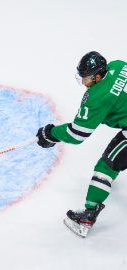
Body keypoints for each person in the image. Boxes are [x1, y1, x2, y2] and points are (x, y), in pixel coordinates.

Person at [36, 51, 127, 237]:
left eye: (86, 78)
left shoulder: (96, 97)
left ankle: (87, 217)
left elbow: (78, 133)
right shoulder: (119, 65)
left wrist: (51, 134)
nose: (84, 82)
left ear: (99, 76)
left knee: (106, 167)